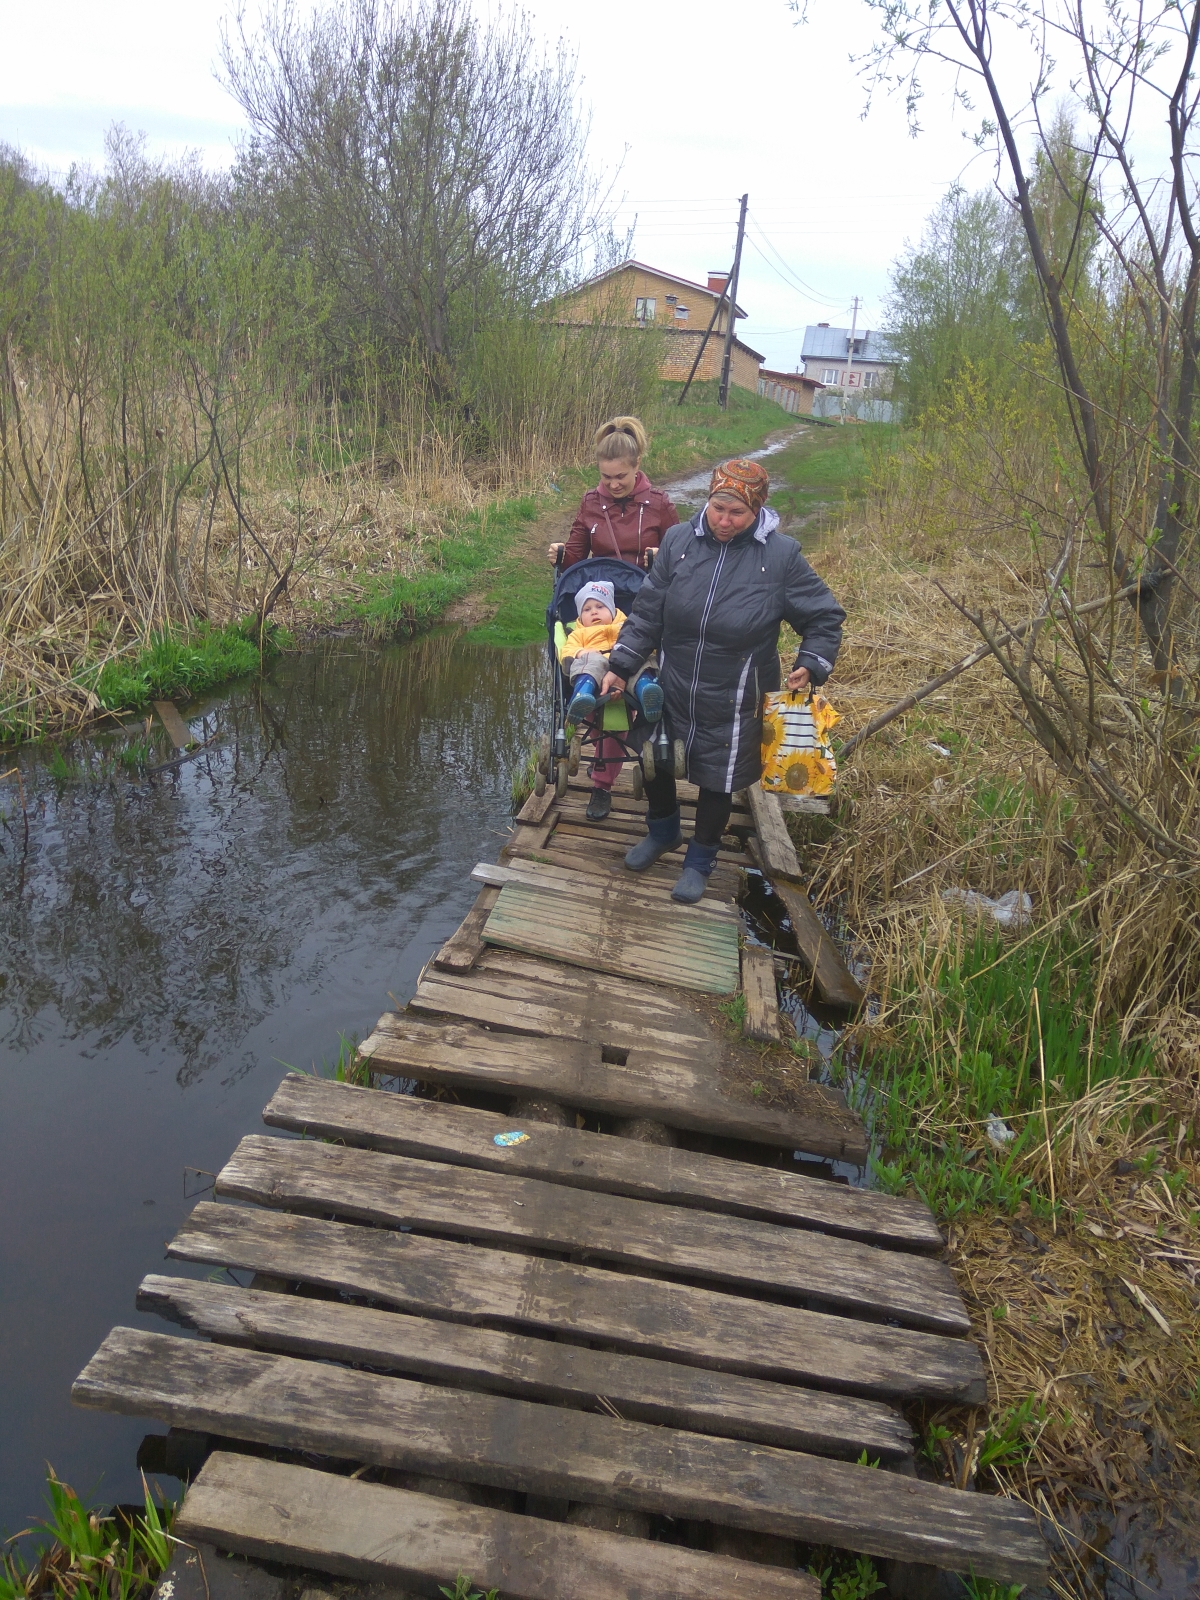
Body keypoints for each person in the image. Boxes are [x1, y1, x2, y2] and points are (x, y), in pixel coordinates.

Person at [600, 458, 845, 903]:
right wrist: (621, 664)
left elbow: (825, 617)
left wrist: (812, 660)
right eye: (718, 509)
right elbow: (649, 611)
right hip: (673, 683)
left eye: (737, 513)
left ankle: (700, 860)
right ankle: (663, 832)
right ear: (708, 501)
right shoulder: (678, 542)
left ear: (758, 511)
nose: (724, 521)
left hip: (736, 693)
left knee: (719, 777)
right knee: (655, 758)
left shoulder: (781, 556)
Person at [558, 580, 662, 821]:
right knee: (591, 662)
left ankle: (602, 786)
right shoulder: (579, 634)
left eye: (600, 607)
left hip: (625, 687)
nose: (594, 612)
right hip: (595, 686)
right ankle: (581, 695)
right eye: (587, 609)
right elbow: (567, 653)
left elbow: (646, 646)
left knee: (640, 661)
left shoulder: (626, 627)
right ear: (580, 617)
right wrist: (582, 653)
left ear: (613, 610)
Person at [548, 417, 678, 569]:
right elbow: (574, 561)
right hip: (601, 588)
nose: (614, 485)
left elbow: (680, 558)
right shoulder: (590, 503)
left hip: (646, 589)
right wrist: (560, 556)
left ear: (637, 464)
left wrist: (662, 557)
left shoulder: (660, 503)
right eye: (606, 477)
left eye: (620, 476)